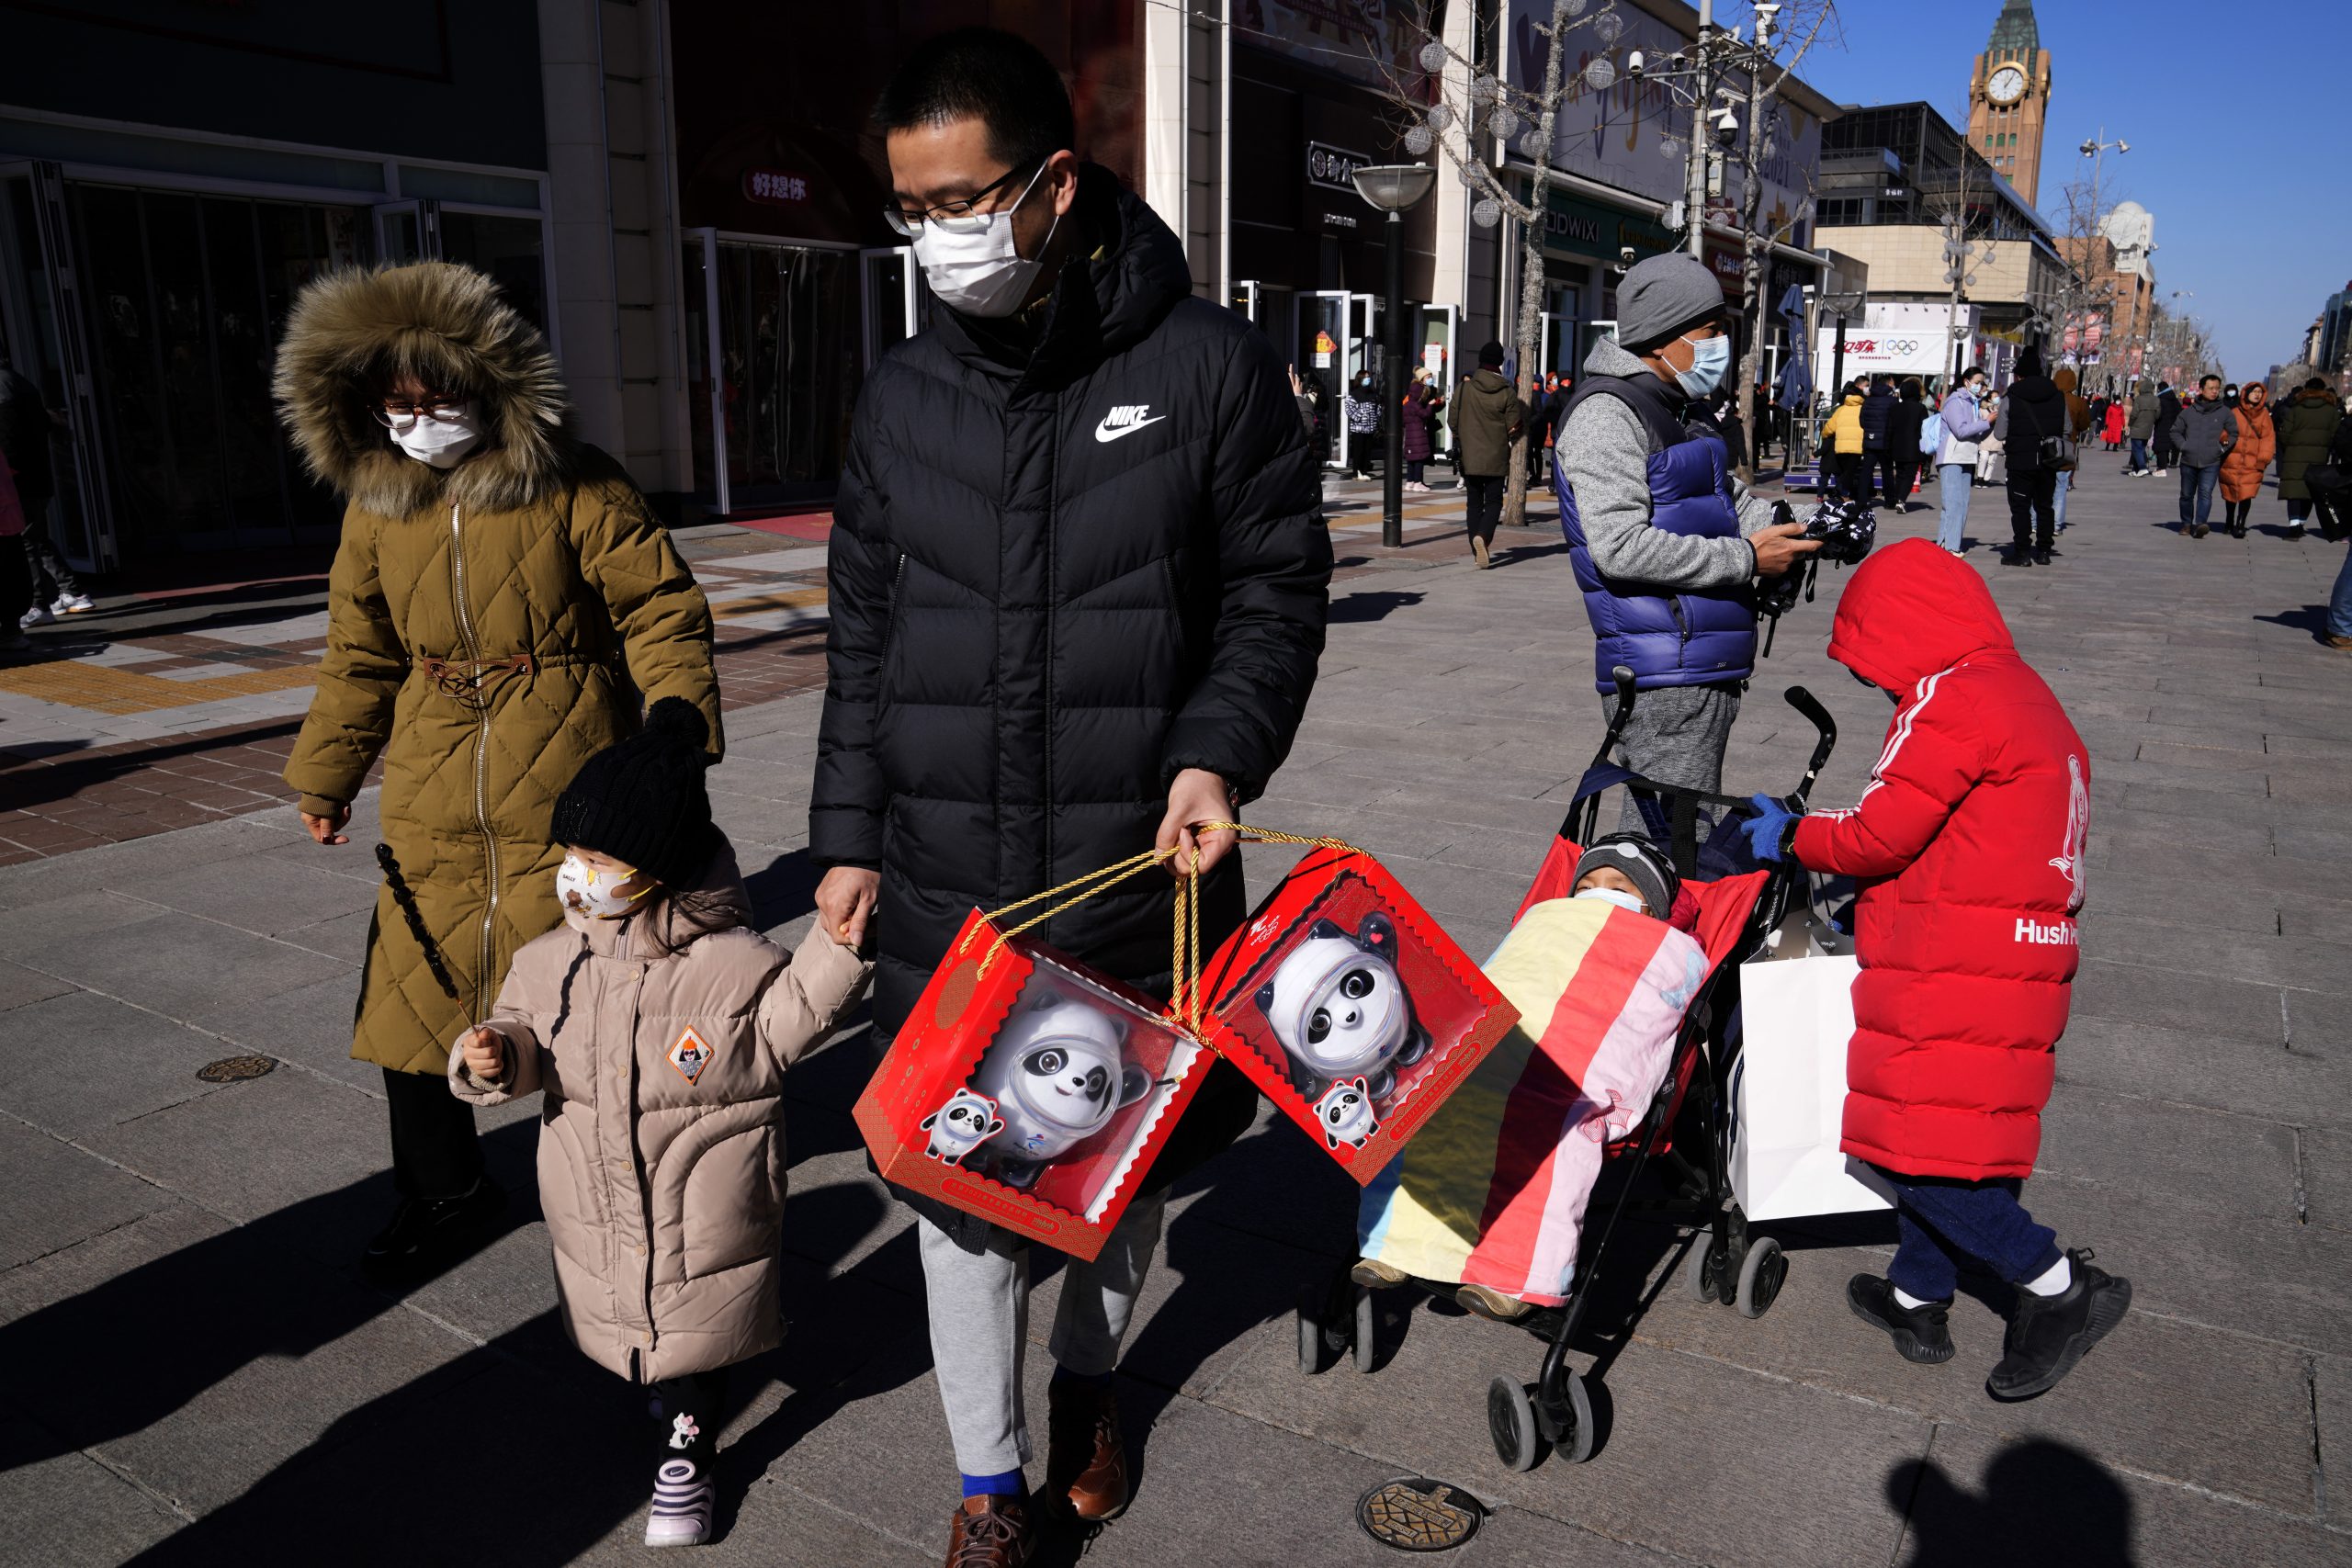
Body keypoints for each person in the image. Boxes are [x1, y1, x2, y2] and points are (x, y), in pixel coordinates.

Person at [813, 31, 1329, 1562]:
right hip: (945, 880)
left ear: (1054, 181)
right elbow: (864, 630)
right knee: (959, 1195)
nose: (937, 237)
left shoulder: (1208, 368)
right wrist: (845, 836)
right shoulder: (903, 396)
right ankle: (987, 1486)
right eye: (910, 208)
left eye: (962, 199)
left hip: (1135, 874)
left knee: (1118, 1178)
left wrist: (1216, 752)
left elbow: (1274, 588)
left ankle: (1093, 1383)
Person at [275, 259, 722, 1283]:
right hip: (434, 777)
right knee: (409, 1000)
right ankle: (444, 1190)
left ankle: (611, 1185)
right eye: (399, 404)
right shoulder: (375, 509)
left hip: (567, 769)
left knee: (585, 998)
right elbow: (360, 653)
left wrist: (674, 729)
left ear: (495, 386)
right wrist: (325, 777)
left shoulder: (580, 481)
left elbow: (661, 609)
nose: (422, 420)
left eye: (442, 398)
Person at [447, 700, 872, 1549]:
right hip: (597, 1196)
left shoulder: (734, 963)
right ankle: (670, 1391)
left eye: (597, 859)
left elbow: (791, 1021)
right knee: (631, 1313)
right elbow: (529, 1039)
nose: (577, 875)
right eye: (572, 856)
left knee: (698, 1326)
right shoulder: (550, 959)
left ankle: (689, 1448)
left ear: (655, 867)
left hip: (704, 1204)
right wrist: (493, 1055)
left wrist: (838, 948)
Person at [1741, 538, 2130, 1404]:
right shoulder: (2025, 693)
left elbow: (1881, 829)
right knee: (1962, 1138)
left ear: (1905, 629)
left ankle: (2060, 1287)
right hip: (2020, 953)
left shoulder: (1950, 696)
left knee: (1907, 1153)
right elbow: (1965, 831)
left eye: (1874, 659)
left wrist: (1794, 836)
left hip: (1955, 961)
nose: (1878, 685)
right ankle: (1919, 1296)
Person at [1350, 832, 1706, 1322]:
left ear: (1654, 907)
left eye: (1620, 885)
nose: (1598, 892)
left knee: (1553, 1126)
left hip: (1569, 1065)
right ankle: (1397, 1246)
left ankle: (1511, 1273)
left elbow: (1649, 1009)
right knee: (1431, 1098)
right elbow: (1516, 970)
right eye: (1587, 883)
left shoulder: (1671, 947)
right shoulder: (1549, 920)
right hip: (1501, 1043)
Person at [1552, 250, 1818, 829]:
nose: (1721, 344)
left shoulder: (1677, 406)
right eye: (1711, 331)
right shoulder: (1608, 413)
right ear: (1663, 336)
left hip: (1698, 658)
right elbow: (1618, 545)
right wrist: (1748, 558)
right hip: (1663, 669)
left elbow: (1731, 504)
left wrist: (1809, 525)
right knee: (1671, 845)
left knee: (1673, 839)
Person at [0, 358, 95, 626]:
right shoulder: (19, 382)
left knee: (27, 541)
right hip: (36, 475)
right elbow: (45, 424)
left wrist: (8, 477)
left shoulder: (3, 389)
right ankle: (73, 591)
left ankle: (38, 604)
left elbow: (7, 441)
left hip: (18, 481)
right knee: (36, 537)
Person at [1453, 341, 1522, 569]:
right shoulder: (1507, 392)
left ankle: (1476, 552)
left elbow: (1452, 421)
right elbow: (1515, 425)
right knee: (1493, 501)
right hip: (1496, 456)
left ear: (1480, 361)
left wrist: (1464, 436)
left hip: (1469, 457)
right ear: (1500, 364)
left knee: (1473, 504)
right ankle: (1483, 536)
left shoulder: (1464, 389)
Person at [1995, 350, 2066, 567]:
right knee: (2045, 505)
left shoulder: (2012, 396)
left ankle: (2022, 552)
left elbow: (1999, 433)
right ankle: (2044, 550)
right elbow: (2067, 427)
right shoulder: (2057, 395)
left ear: (2019, 375)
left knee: (2020, 506)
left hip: (2020, 460)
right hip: (2048, 459)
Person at [1933, 365, 1994, 553]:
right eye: (1976, 382)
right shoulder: (1955, 401)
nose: (1979, 386)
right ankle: (1951, 546)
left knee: (1961, 504)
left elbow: (1975, 434)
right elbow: (1960, 430)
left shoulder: (1973, 403)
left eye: (1981, 383)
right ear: (1966, 382)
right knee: (1953, 504)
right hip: (1951, 457)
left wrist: (1989, 425)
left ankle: (1945, 543)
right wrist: (1986, 422)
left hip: (1967, 457)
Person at [2276, 378, 2345, 538]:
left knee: (2294, 490)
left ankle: (2294, 525)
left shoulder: (2296, 409)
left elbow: (2285, 433)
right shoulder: (2331, 411)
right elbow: (2336, 434)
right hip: (2319, 457)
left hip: (2294, 455)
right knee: (2310, 491)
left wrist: (2290, 446)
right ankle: (2301, 523)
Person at [2173, 374, 2238, 539]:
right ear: (2201, 390)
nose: (2215, 391)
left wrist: (2220, 449)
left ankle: (2200, 524)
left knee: (2205, 493)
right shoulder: (2189, 412)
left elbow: (2233, 434)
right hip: (2188, 460)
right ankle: (2187, 524)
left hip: (2211, 461)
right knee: (2186, 495)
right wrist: (2184, 446)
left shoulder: (2225, 412)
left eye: (2217, 388)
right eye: (2211, 388)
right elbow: (2175, 431)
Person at [2218, 381, 2276, 537]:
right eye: (2254, 391)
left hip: (2252, 462)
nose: (2257, 394)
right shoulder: (2235, 412)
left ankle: (2241, 523)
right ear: (2246, 393)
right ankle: (2229, 521)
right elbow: (2225, 432)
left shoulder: (2264, 415)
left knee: (2246, 493)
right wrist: (2224, 439)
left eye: (2259, 392)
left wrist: (2263, 459)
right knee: (2230, 492)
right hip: (2232, 460)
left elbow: (2268, 439)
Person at [2051, 367, 2090, 533]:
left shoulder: (2049, 398)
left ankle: (2035, 523)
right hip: (2067, 448)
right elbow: (2084, 424)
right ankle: (2056, 525)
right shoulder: (2078, 402)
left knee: (2042, 488)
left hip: (2048, 448)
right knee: (2061, 488)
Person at [1885, 378, 1929, 513]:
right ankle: (1901, 500)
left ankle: (1897, 498)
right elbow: (1925, 429)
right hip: (1914, 446)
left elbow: (1889, 428)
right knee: (1910, 475)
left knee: (1899, 474)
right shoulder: (1920, 408)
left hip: (1896, 445)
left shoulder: (1894, 408)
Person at [1399, 367, 1443, 491]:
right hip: (1419, 432)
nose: (1431, 379)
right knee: (1419, 458)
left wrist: (1439, 403)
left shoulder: (1408, 403)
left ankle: (1410, 481)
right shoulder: (1417, 401)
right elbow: (1425, 414)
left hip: (1410, 434)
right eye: (1428, 377)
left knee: (1412, 458)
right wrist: (1430, 405)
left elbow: (1403, 420)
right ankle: (1418, 482)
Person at [1822, 381, 1868, 502]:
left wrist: (1824, 435)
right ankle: (1844, 494)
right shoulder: (1863, 409)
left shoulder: (1841, 410)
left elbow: (1829, 428)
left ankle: (1841, 493)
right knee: (1850, 472)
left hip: (1841, 447)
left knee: (1844, 472)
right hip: (1857, 448)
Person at [1346, 367, 1381, 478]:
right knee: (1358, 451)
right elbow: (1349, 409)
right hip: (1358, 428)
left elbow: (1378, 407)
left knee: (1367, 451)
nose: (1368, 379)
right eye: (1365, 377)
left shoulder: (1373, 393)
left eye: (1368, 377)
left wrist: (1376, 416)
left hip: (1370, 428)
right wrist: (1360, 416)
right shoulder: (1354, 394)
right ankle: (1357, 472)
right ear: (1360, 379)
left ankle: (1364, 471)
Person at [2126, 379, 2157, 474]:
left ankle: (2142, 467)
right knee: (2141, 448)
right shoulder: (2155, 399)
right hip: (2148, 427)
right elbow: (2158, 413)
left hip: (2137, 427)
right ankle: (2136, 470)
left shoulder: (2139, 399)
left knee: (2136, 448)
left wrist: (2129, 424)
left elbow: (2134, 414)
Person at [2152, 381, 2182, 475]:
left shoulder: (2160, 400)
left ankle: (2162, 468)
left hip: (2162, 426)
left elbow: (2157, 414)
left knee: (2161, 446)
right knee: (2172, 446)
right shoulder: (2175, 400)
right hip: (2175, 426)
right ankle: (2171, 463)